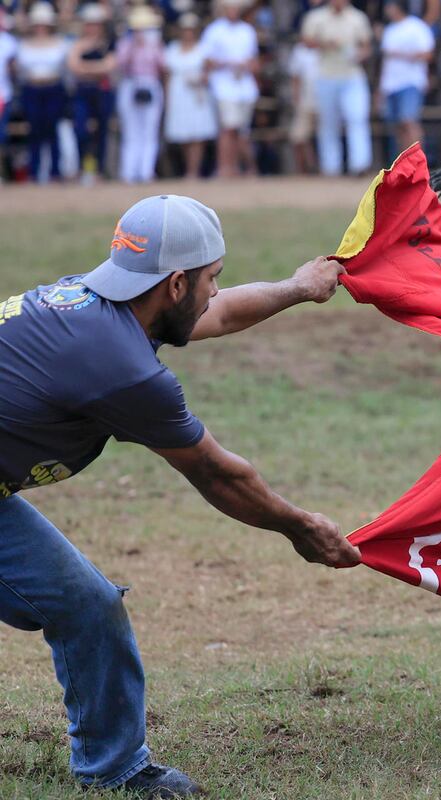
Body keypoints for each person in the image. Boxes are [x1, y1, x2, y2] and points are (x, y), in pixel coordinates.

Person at [0, 194, 360, 796]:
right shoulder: (125, 371)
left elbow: (213, 316)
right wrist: (300, 527)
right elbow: (220, 475)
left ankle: (114, 770)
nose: (217, 291)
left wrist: (297, 287)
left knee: (87, 605)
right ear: (174, 284)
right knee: (85, 605)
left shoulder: (91, 302)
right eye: (211, 279)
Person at [300, 0, 373, 176]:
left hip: (352, 75)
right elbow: (306, 41)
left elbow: (366, 46)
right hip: (326, 75)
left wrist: (359, 55)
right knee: (328, 123)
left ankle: (360, 165)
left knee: (357, 118)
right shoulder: (316, 18)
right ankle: (330, 167)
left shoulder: (357, 18)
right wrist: (326, 44)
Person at [200, 0, 259, 177]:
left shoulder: (247, 31)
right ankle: (225, 168)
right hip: (223, 86)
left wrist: (245, 66)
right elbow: (206, 60)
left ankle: (244, 168)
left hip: (245, 87)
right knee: (228, 128)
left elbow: (254, 61)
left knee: (242, 131)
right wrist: (228, 64)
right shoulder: (214, 30)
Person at [15, 2, 70, 182]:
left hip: (53, 89)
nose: (40, 27)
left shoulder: (60, 43)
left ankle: (55, 171)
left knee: (52, 130)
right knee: (35, 131)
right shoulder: (24, 44)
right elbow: (18, 70)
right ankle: (34, 171)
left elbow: (65, 69)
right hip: (32, 90)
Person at [164, 12, 218, 179]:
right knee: (183, 133)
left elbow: (210, 71)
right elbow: (167, 75)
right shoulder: (172, 49)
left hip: (196, 95)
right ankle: (187, 168)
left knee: (197, 133)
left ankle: (193, 171)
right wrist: (167, 98)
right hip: (179, 94)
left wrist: (201, 80)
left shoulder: (203, 49)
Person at [115, 5, 165, 184]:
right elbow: (121, 64)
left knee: (149, 130)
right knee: (131, 130)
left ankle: (146, 171)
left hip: (150, 84)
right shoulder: (125, 44)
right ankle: (129, 172)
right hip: (130, 85)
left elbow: (162, 65)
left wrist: (150, 46)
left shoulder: (155, 45)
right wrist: (134, 46)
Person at [68, 4, 116, 183]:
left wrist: (85, 68)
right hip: (83, 91)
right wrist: (94, 68)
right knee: (80, 128)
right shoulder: (79, 43)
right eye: (89, 23)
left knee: (102, 130)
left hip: (101, 92)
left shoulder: (108, 44)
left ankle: (100, 170)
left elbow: (109, 66)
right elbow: (73, 66)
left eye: (95, 24)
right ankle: (82, 167)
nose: (92, 27)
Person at [380, 0, 435, 156]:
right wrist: (381, 88)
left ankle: (417, 162)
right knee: (397, 125)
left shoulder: (416, 27)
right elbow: (386, 62)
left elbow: (428, 54)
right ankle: (403, 164)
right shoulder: (389, 30)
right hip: (391, 84)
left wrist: (402, 55)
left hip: (411, 82)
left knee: (409, 121)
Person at [286, 38, 318, 174]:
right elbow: (295, 77)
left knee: (324, 137)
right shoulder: (299, 51)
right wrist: (296, 98)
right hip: (305, 100)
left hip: (325, 100)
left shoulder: (327, 49)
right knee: (298, 137)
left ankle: (320, 168)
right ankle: (303, 170)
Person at [0, 8, 17, 179]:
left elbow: (13, 70)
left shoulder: (9, 41)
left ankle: (3, 172)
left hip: (3, 94)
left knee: (1, 135)